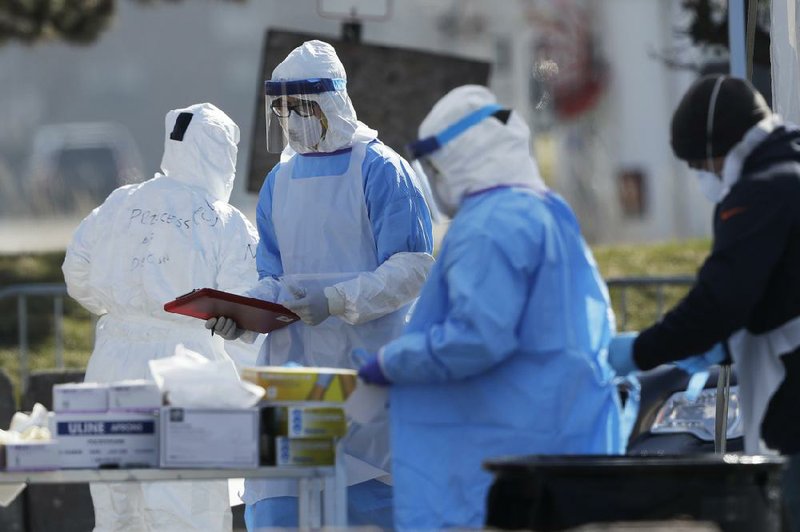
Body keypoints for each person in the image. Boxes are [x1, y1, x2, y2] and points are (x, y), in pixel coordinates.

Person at [355, 85, 625, 529]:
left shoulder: (488, 227)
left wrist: (392, 361)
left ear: (460, 160)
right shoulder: (546, 210)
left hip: (500, 448)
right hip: (558, 433)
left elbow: (477, 338)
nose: (436, 180)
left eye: (437, 167)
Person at [206, 40, 434, 529]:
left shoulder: (382, 169)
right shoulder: (279, 182)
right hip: (293, 378)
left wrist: (337, 300)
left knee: (373, 506)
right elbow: (272, 277)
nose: (292, 119)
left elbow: (413, 267)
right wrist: (242, 316)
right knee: (279, 508)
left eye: (302, 107)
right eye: (284, 109)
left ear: (333, 102)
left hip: (367, 375)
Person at [607, 74, 800, 531]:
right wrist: (727, 347)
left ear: (720, 148)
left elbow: (720, 300)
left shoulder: (762, 191)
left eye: (699, 162)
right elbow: (779, 289)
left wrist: (639, 351)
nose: (701, 174)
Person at [63, 102, 259, 532]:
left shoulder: (119, 203)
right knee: (187, 510)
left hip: (111, 365)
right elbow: (248, 303)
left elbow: (76, 274)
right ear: (221, 153)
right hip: (185, 372)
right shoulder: (224, 221)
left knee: (118, 508)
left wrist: (124, 308)